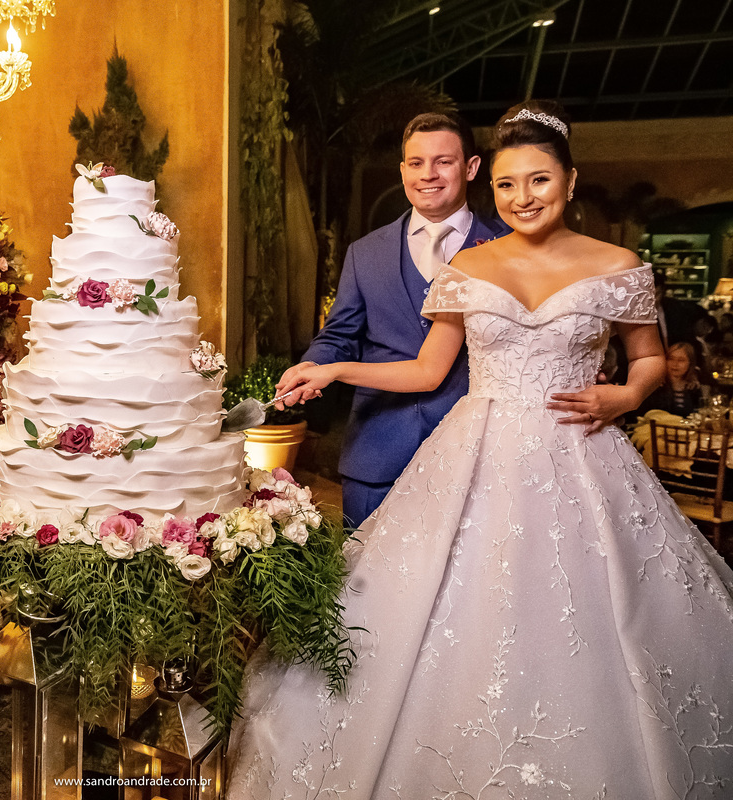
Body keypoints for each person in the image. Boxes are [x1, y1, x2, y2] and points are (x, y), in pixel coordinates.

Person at [226, 100, 733, 798]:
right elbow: (427, 371)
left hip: (579, 459)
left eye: (538, 181)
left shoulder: (618, 266)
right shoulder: (468, 267)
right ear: (488, 185)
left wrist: (624, 396)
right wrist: (336, 368)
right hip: (473, 453)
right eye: (506, 184)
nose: (522, 197)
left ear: (571, 181)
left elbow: (647, 358)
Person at [290, 112, 509, 527]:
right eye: (415, 162)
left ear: (471, 167)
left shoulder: (505, 247)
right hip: (378, 450)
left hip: (481, 452)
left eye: (443, 161)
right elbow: (340, 333)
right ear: (403, 170)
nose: (428, 174)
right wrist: (312, 364)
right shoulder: (366, 252)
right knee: (366, 583)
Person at [637, 341, 705, 417]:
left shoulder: (693, 387)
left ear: (690, 363)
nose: (675, 364)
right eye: (671, 359)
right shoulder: (656, 386)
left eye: (681, 360)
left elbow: (699, 413)